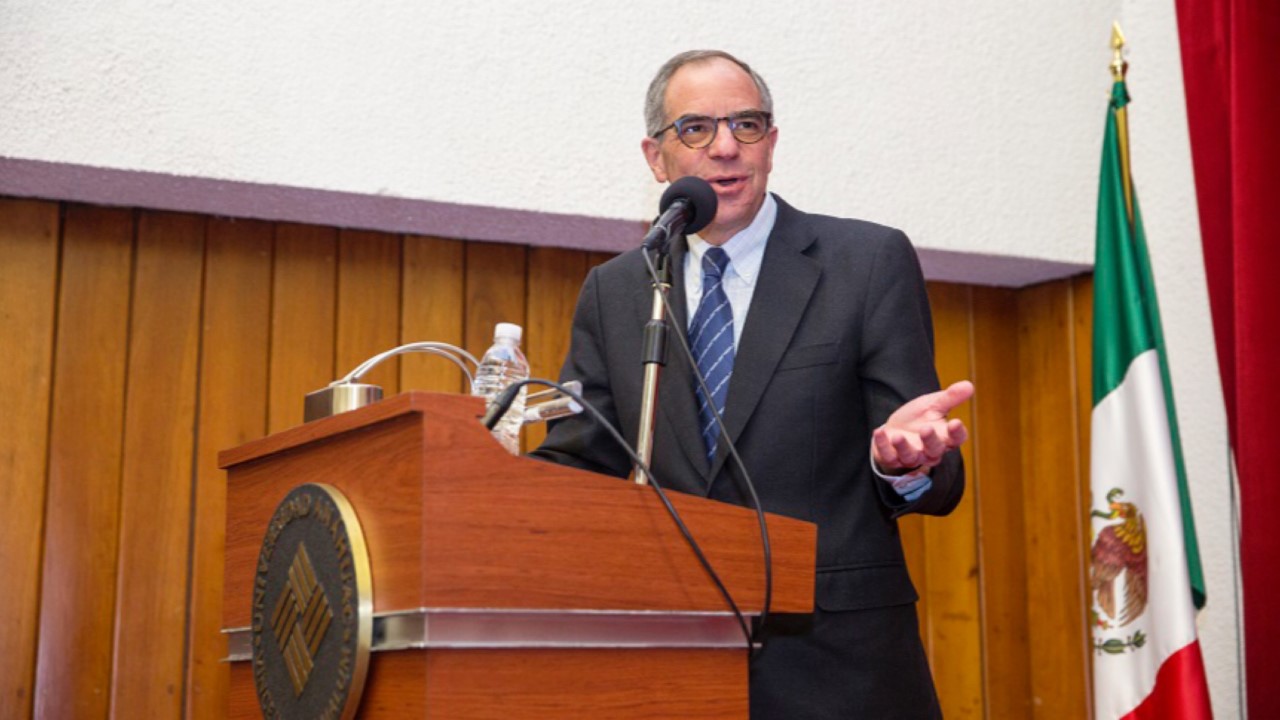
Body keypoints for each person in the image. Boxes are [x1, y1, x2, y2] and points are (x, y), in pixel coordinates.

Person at [532, 49, 974, 719]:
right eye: (697, 129)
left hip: (840, 669)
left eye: (746, 125)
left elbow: (933, 473)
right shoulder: (618, 291)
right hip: (675, 666)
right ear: (657, 157)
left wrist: (905, 465)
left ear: (772, 142)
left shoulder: (866, 262)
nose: (726, 148)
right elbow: (582, 462)